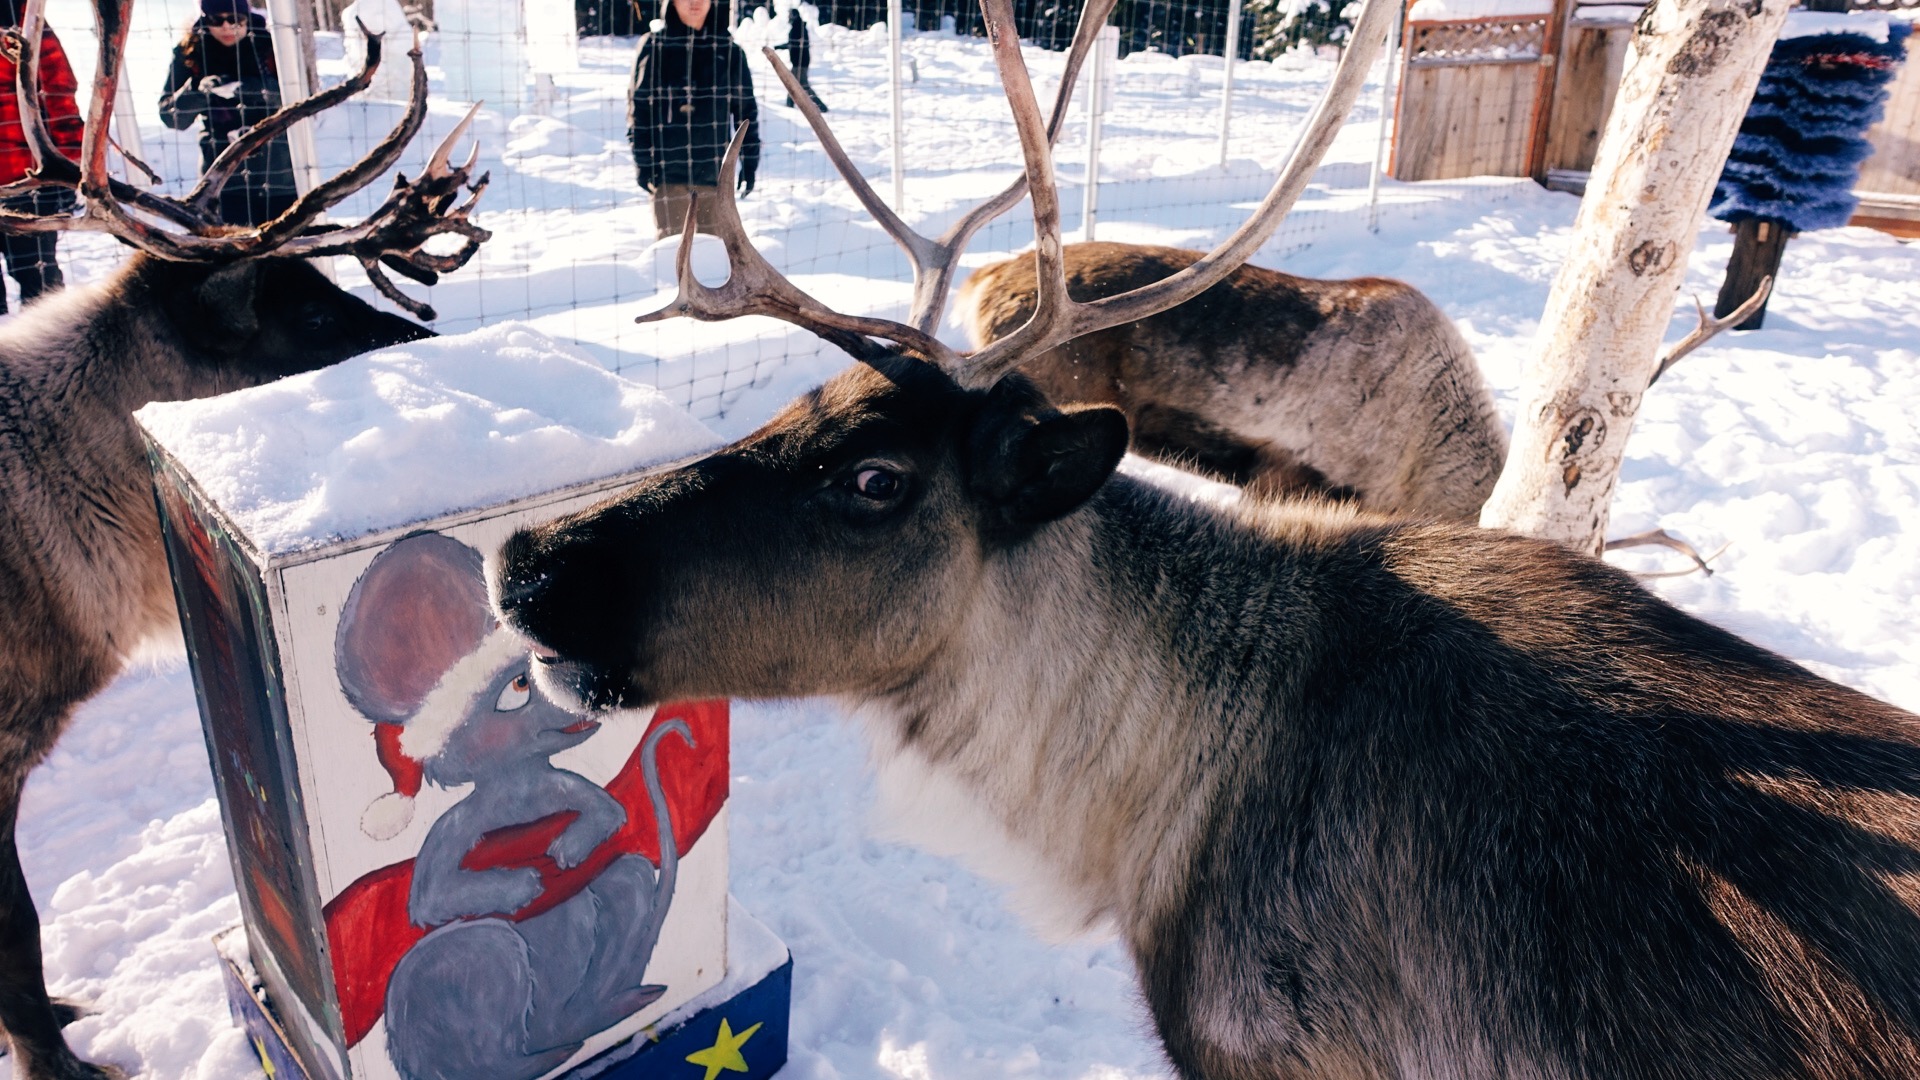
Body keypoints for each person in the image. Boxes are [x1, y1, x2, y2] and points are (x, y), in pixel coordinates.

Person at [628, 0, 760, 240]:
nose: (694, 2)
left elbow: (746, 112)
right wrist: (643, 161)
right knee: (674, 258)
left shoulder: (728, 51)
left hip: (715, 176)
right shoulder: (654, 46)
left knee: (714, 260)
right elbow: (639, 109)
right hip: (669, 177)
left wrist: (749, 161)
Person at [158, 0, 298, 227]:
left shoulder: (271, 47)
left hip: (278, 173)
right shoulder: (191, 52)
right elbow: (171, 116)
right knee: (232, 253)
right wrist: (198, 90)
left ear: (247, 18)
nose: (226, 26)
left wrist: (254, 89)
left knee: (284, 253)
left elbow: (300, 98)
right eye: (217, 19)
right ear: (205, 20)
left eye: (235, 19)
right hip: (222, 180)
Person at [0, 0, 82, 310]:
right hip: (27, 176)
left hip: (30, 181)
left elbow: (60, 93)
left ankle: (46, 356)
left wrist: (67, 169)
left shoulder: (29, 22)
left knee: (39, 288)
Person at [775, 6, 827, 111]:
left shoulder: (799, 28)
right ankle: (789, 104)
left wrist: (782, 47)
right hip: (797, 63)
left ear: (794, 16)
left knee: (802, 85)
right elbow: (793, 44)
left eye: (790, 15)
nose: (788, 18)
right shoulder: (797, 27)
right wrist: (780, 47)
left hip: (800, 63)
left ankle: (820, 106)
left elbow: (796, 44)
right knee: (791, 82)